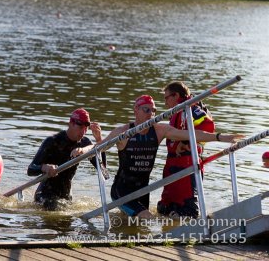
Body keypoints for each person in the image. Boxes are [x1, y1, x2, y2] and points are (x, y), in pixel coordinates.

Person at [98, 95, 241, 219]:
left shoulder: (159, 130)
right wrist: (83, 149)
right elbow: (98, 148)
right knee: (146, 218)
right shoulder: (123, 132)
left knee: (132, 221)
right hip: (122, 189)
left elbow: (192, 135)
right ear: (136, 110)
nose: (151, 114)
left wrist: (220, 137)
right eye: (146, 110)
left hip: (142, 190)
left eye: (154, 110)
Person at [27, 108, 107, 211]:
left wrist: (99, 141)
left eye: (86, 128)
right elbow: (30, 170)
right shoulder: (52, 141)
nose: (83, 131)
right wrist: (44, 167)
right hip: (45, 196)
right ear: (71, 124)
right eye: (80, 127)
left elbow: (103, 171)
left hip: (66, 197)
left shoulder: (85, 144)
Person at [157, 82, 214, 219]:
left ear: (176, 95)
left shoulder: (190, 108)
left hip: (186, 164)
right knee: (165, 207)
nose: (165, 103)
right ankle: (169, 234)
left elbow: (208, 126)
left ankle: (193, 235)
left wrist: (185, 142)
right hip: (175, 164)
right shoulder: (179, 110)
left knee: (187, 209)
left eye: (166, 98)